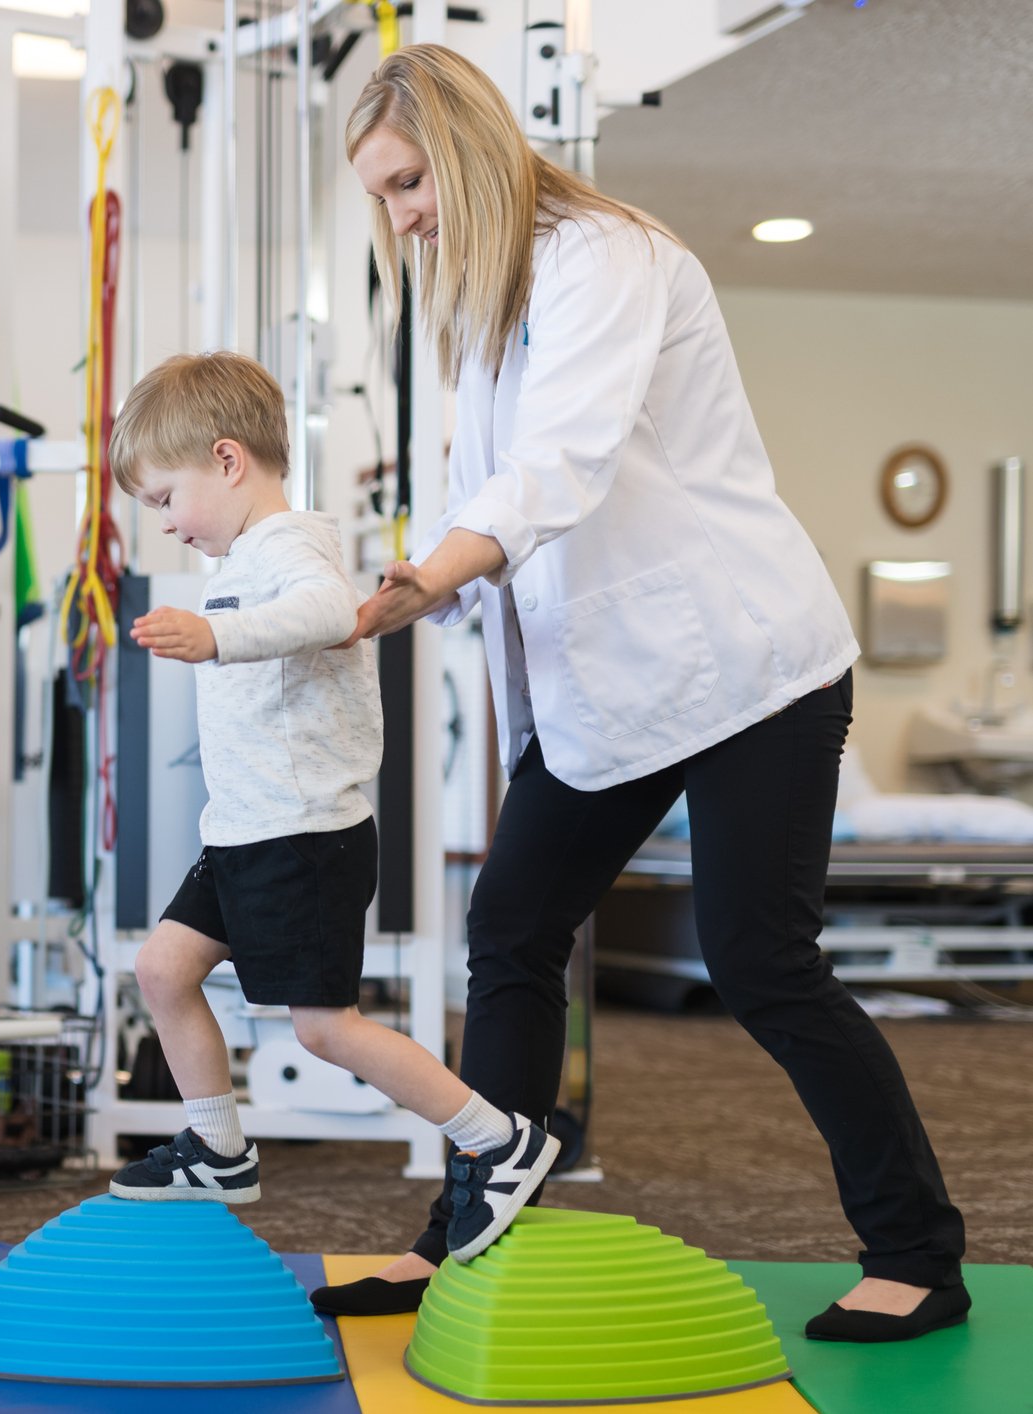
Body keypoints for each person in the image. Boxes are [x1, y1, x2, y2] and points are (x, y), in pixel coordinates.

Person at [309, 44, 968, 1343]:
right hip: (607, 690)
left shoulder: (602, 255)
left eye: (404, 185)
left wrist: (428, 574)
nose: (399, 220)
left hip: (745, 666)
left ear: (464, 148)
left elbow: (561, 466)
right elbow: (486, 508)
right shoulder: (487, 310)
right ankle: (465, 1227)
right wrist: (405, 588)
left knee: (763, 962)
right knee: (510, 933)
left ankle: (919, 1252)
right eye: (381, 199)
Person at [103, 350, 558, 1264]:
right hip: (241, 833)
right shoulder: (238, 554)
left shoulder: (290, 543)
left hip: (301, 836)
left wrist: (215, 637)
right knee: (160, 971)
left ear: (228, 462)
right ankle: (218, 1149)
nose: (162, 525)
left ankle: (495, 1138)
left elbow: (328, 613)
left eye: (163, 499)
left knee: (322, 1029)